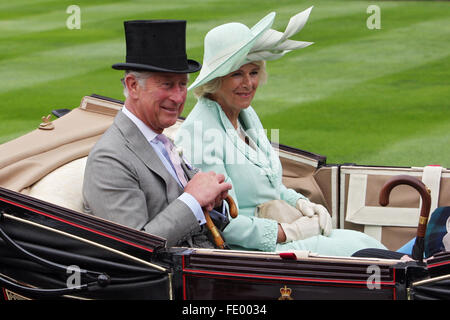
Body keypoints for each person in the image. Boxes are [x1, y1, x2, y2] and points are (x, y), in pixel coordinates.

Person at [175, 7, 386, 256]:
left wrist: (301, 203)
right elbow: (221, 222)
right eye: (237, 74)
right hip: (252, 251)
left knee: (365, 243)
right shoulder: (199, 131)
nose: (249, 83)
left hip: (280, 235)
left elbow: (270, 185)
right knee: (365, 253)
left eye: (253, 72)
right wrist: (288, 232)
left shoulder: (245, 114)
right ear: (216, 80)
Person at [83, 20, 232, 248]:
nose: (178, 97)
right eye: (167, 85)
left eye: (182, 85)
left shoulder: (161, 140)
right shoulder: (109, 159)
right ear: (133, 86)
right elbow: (134, 249)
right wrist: (192, 199)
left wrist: (213, 200)